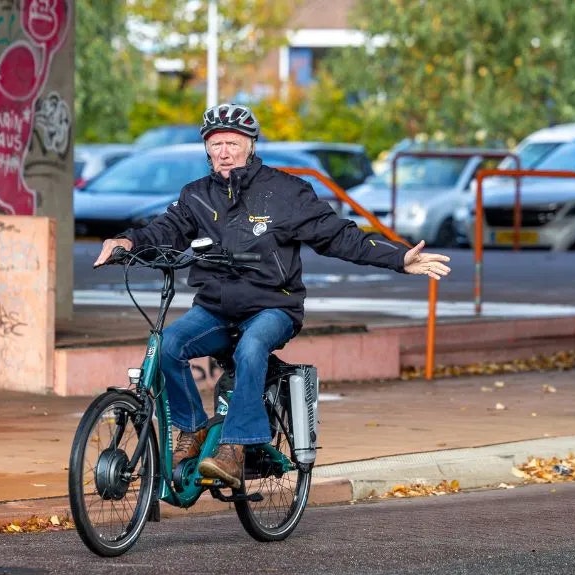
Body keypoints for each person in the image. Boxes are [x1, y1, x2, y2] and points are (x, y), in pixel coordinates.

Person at [93, 103, 450, 490]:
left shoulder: (285, 192)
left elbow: (338, 236)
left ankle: (235, 448)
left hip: (274, 306)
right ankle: (192, 430)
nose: (223, 151)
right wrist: (127, 241)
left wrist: (398, 257)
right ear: (207, 150)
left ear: (250, 145)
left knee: (250, 348)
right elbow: (165, 228)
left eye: (232, 142)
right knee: (168, 346)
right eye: (215, 144)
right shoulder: (196, 195)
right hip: (215, 308)